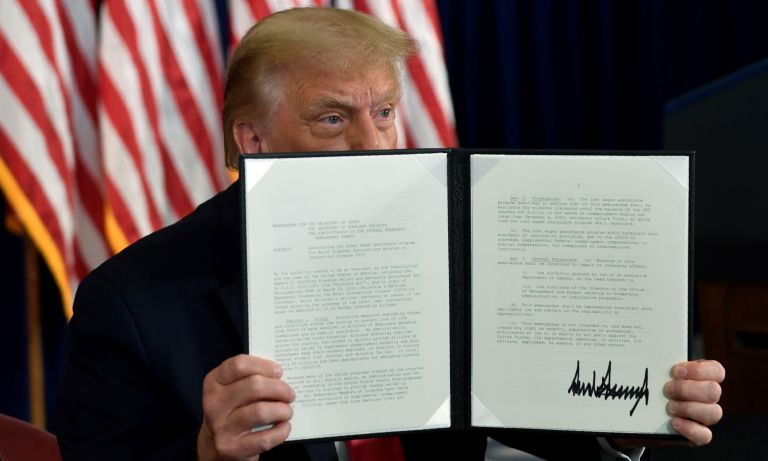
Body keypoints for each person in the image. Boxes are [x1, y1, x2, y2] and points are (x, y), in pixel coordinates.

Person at [57, 7, 725, 461]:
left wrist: (628, 413)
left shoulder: (460, 242)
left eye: (383, 112)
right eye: (331, 119)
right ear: (252, 139)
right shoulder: (130, 300)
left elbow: (524, 412)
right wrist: (207, 451)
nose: (372, 146)